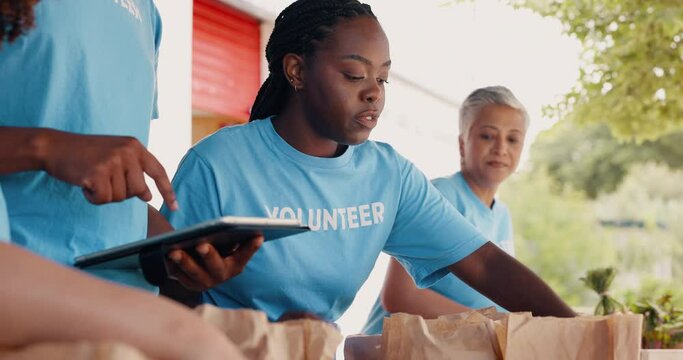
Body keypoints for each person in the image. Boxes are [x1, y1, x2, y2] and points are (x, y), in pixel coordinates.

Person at [162, 0, 575, 322]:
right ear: (296, 71)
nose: (374, 93)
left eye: (383, 78)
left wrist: (578, 328)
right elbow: (162, 291)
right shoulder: (218, 163)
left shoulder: (387, 176)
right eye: (355, 75)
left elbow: (483, 263)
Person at [0, 0, 260, 292]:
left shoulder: (148, 14)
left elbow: (113, 196)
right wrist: (45, 148)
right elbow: (68, 154)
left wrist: (183, 251)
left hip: (127, 296)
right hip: (24, 281)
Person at [363, 86, 528, 334]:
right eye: (487, 136)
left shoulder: (502, 214)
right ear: (463, 144)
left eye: (512, 139)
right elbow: (399, 296)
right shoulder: (440, 195)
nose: (501, 148)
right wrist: (490, 322)